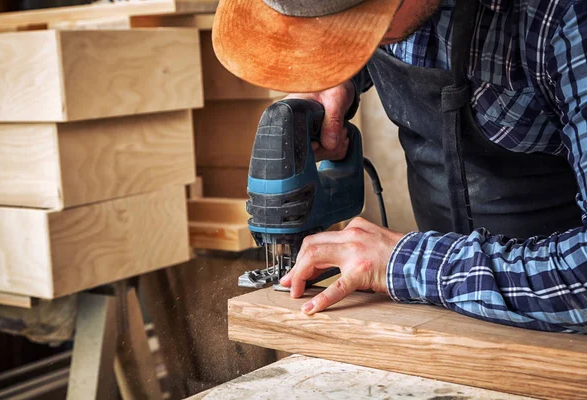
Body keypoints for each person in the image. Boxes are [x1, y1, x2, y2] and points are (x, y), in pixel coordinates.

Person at [213, 0, 587, 333]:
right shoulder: (401, 15)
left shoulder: (562, 18)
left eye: (362, 23)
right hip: (444, 313)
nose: (358, 38)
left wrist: (405, 263)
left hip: (559, 321)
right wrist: (335, 71)